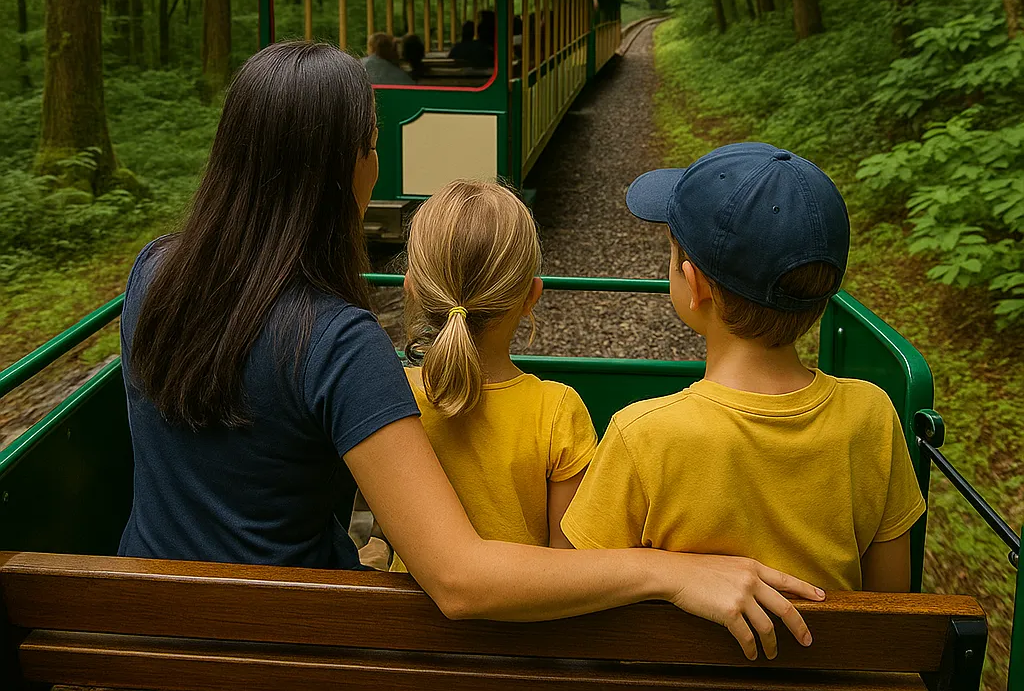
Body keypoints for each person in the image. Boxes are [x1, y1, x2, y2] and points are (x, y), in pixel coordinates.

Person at [118, 45, 822, 659]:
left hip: (138, 631)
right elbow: (459, 579)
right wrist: (669, 572)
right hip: (295, 646)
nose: (378, 158)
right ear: (341, 173)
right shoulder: (334, 340)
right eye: (370, 144)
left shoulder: (153, 275)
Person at [561, 143, 927, 593]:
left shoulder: (641, 435)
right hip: (834, 663)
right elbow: (890, 602)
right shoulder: (872, 415)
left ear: (693, 285)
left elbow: (577, 589)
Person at [389, 180, 596, 573]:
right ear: (531, 296)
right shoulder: (556, 411)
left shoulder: (392, 396)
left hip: (401, 628)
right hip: (523, 629)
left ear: (412, 289)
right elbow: (570, 567)